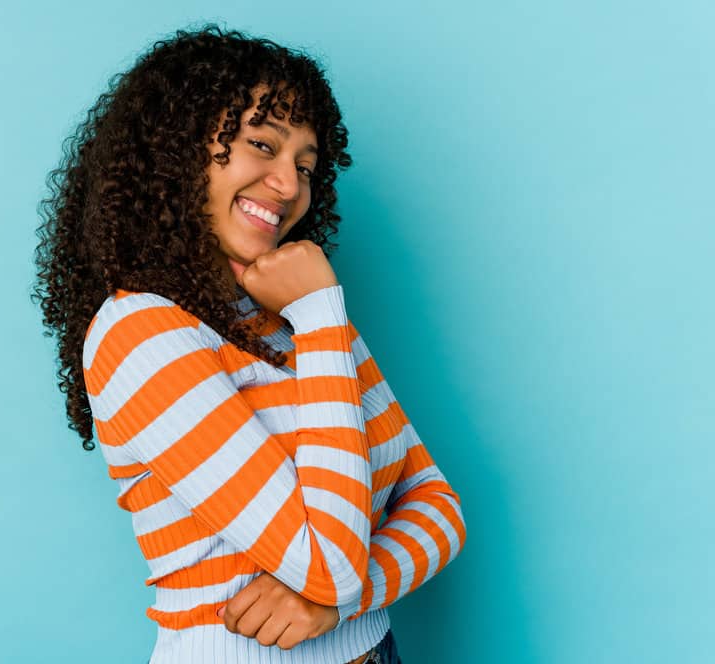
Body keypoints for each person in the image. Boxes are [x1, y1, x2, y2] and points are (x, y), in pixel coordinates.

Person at [32, 24, 466, 664]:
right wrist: (321, 314)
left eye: (306, 166)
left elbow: (437, 504)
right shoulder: (140, 334)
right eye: (261, 144)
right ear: (175, 148)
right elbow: (327, 565)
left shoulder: (297, 320)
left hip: (378, 651)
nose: (289, 186)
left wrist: (341, 600)